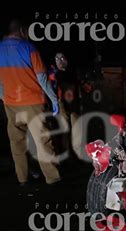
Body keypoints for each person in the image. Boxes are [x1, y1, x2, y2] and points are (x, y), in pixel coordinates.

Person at [0, 20, 61, 185]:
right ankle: (52, 178)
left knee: (16, 142)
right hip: (33, 102)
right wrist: (54, 99)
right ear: (22, 30)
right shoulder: (28, 47)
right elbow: (42, 78)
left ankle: (22, 179)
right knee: (42, 141)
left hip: (11, 104)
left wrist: (3, 97)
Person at [49, 52, 82, 161]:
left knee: (77, 131)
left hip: (74, 105)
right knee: (64, 131)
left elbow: (82, 88)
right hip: (61, 105)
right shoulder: (53, 74)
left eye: (62, 58)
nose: (60, 61)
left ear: (67, 60)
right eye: (57, 59)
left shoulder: (73, 73)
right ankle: (67, 156)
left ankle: (78, 155)